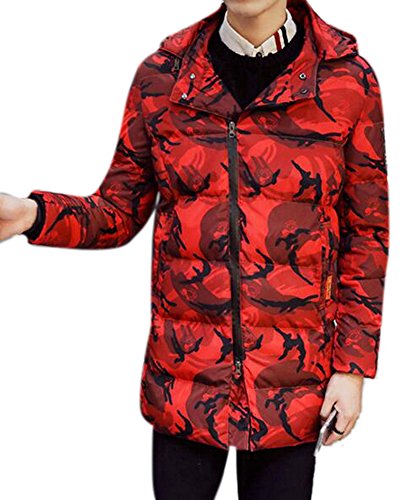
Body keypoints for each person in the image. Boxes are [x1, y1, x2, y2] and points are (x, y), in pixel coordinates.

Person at [0, 0, 389, 498]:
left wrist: (352, 368)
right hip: (185, 381)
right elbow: (117, 211)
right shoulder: (164, 77)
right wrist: (30, 215)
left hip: (292, 384)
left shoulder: (345, 81)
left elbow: (367, 233)